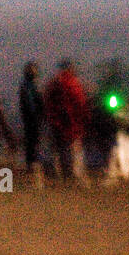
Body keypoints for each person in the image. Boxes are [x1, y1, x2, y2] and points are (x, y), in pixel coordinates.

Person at [44, 59, 91, 187]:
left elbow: (48, 103)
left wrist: (52, 119)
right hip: (72, 124)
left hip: (57, 123)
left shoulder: (53, 84)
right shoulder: (74, 83)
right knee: (76, 151)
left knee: (58, 150)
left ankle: (60, 175)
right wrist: (85, 119)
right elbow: (81, 104)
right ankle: (77, 178)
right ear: (71, 69)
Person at [17, 61, 46, 187]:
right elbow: (35, 103)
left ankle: (31, 164)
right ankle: (34, 164)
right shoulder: (32, 86)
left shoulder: (24, 86)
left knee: (30, 141)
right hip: (33, 118)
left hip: (28, 118)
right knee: (34, 141)